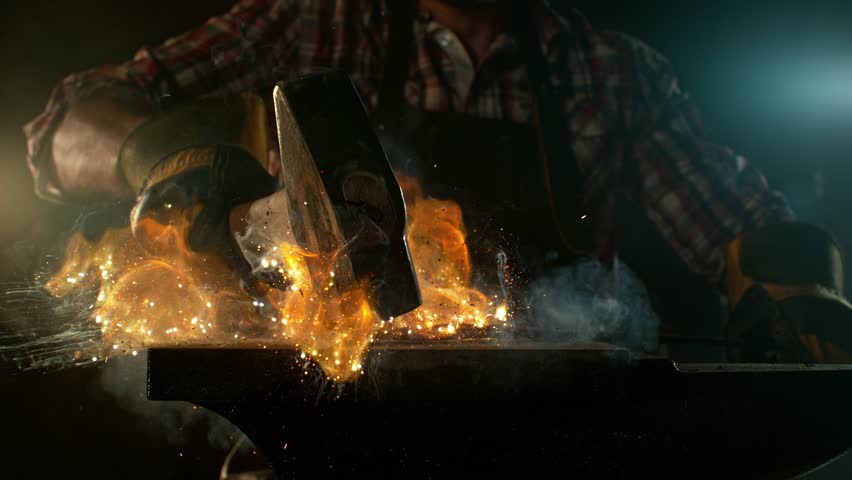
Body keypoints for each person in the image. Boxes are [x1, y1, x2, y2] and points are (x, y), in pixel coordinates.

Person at [23, 0, 852, 361]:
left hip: (557, 430)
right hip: (342, 407)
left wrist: (801, 306)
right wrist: (162, 157)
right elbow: (65, 125)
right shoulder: (318, 22)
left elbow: (748, 225)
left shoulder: (613, 71)